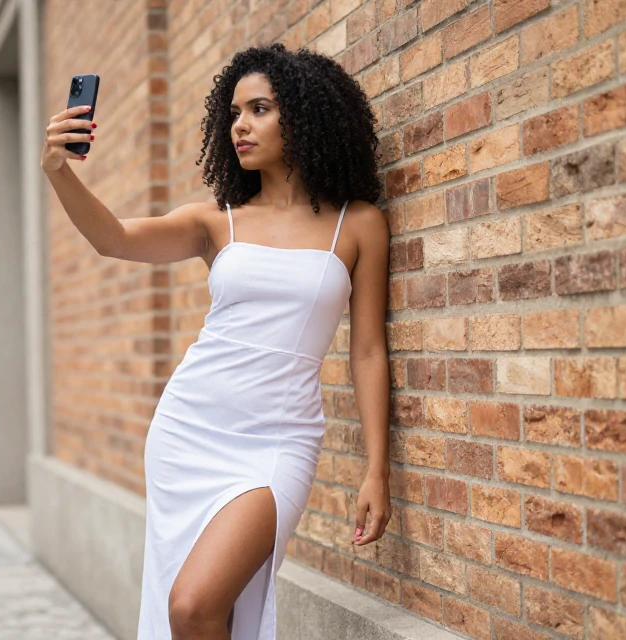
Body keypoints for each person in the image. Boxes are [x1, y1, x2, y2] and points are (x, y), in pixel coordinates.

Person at [42, 44, 391, 640]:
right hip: (190, 430)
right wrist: (57, 170)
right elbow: (115, 238)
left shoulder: (356, 224)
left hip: (278, 440)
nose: (240, 126)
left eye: (259, 109)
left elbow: (368, 352)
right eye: (233, 113)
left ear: (305, 116)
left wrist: (376, 469)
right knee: (196, 611)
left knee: (193, 604)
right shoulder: (216, 221)